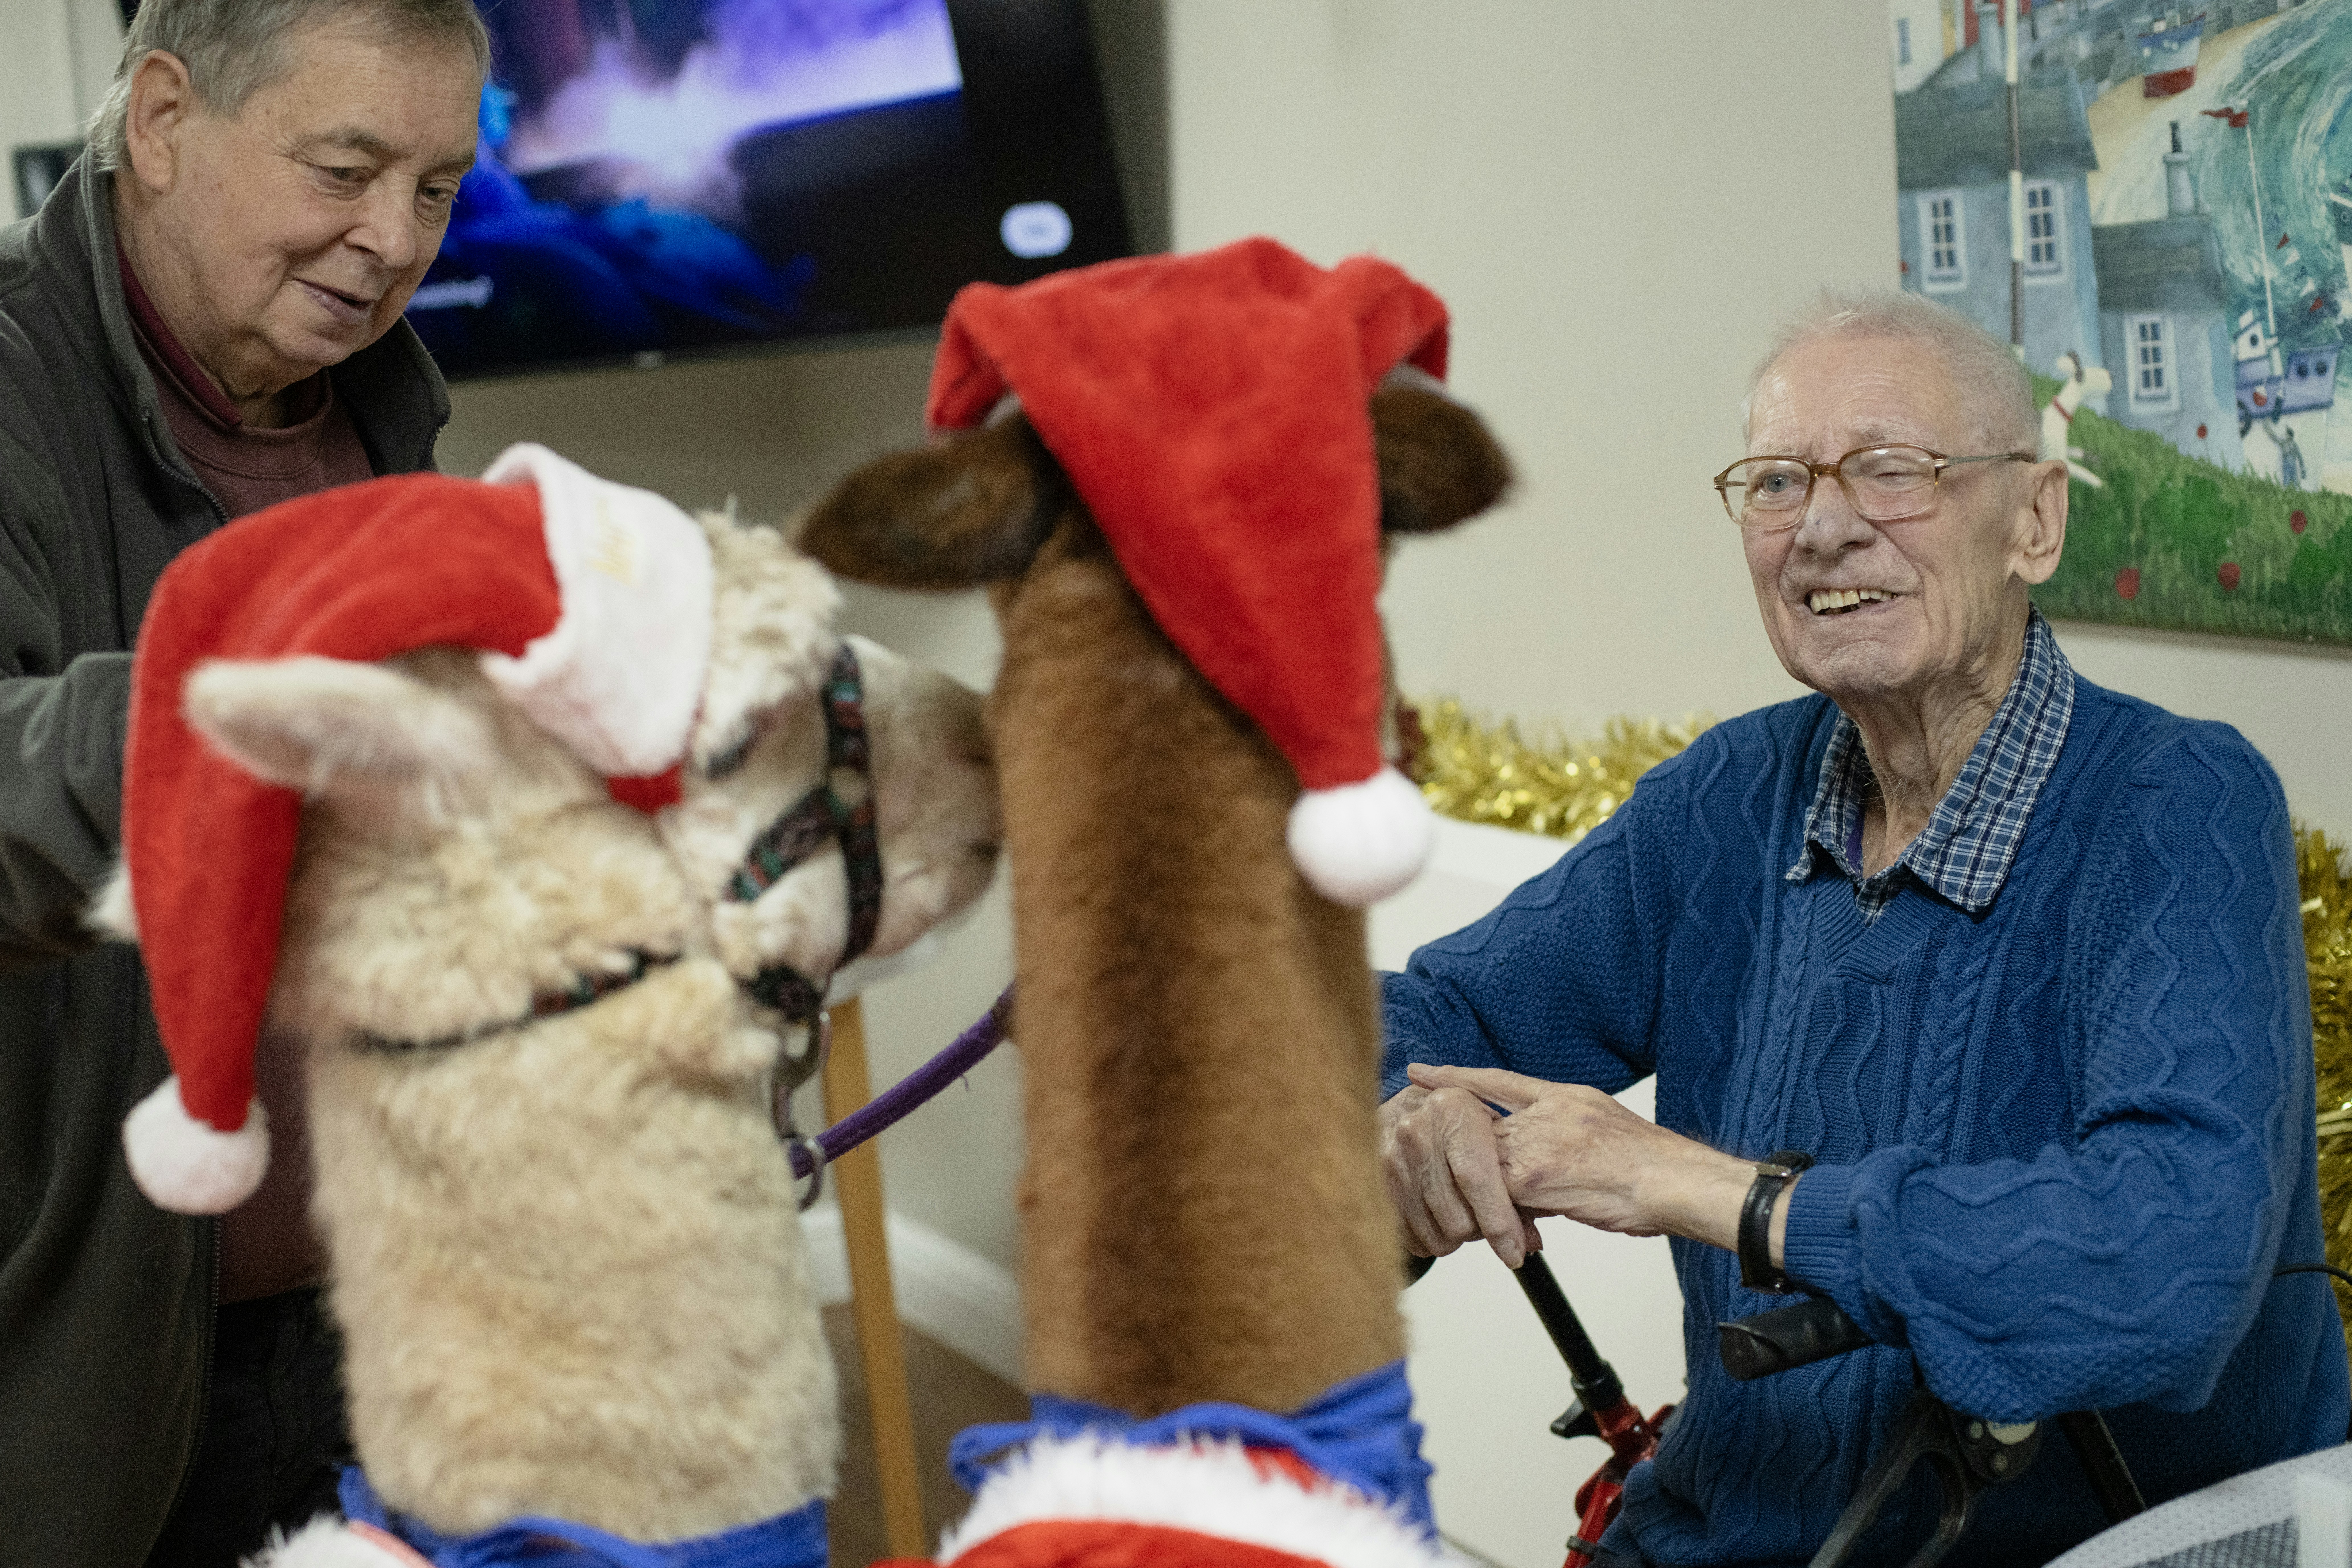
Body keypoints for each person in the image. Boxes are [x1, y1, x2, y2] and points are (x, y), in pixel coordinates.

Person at [1379, 289, 2351, 1566]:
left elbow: (2170, 1258)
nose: (1825, 529)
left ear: (2036, 520)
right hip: (1706, 1535)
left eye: (1894, 472)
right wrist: (1413, 1112)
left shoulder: (2178, 806)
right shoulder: (1727, 798)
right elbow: (1419, 1019)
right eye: (1778, 482)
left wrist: (1716, 1190)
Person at [0, 2, 486, 1562]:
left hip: (396, 1321)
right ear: (158, 120)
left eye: (438, 189)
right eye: (345, 168)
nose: (392, 240)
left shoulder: (391, 418)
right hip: (95, 1384)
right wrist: (264, 708)